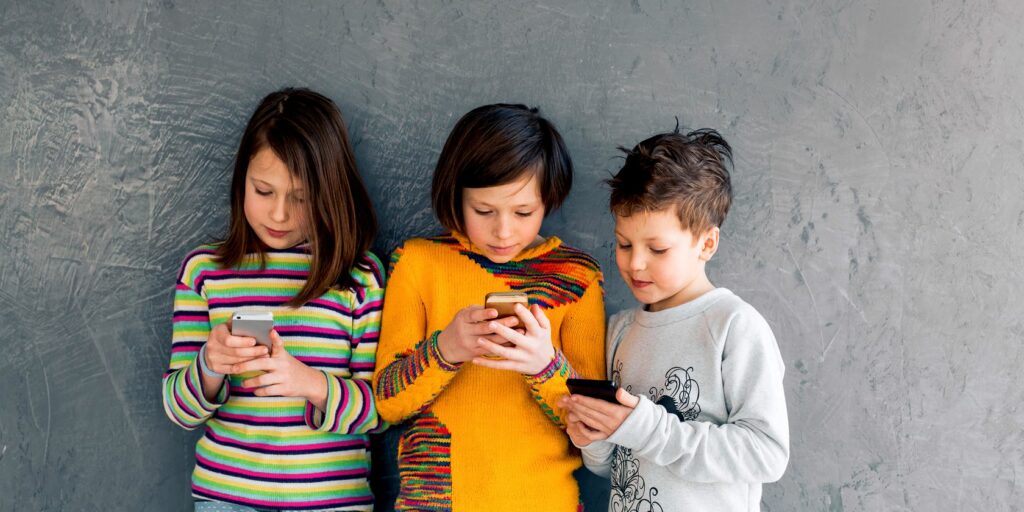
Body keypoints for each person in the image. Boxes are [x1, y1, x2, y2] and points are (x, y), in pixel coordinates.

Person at [161, 88, 387, 511]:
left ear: (330, 191)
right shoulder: (204, 272)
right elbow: (179, 410)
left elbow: (381, 411)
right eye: (263, 191)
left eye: (300, 198)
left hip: (331, 502)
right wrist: (210, 364)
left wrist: (309, 384)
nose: (279, 214)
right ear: (241, 180)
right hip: (228, 498)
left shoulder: (360, 279)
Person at [372, 104, 606, 511]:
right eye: (484, 211)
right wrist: (445, 350)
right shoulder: (417, 263)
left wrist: (544, 365)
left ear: (549, 200)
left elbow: (591, 427)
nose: (503, 231)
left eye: (523, 212)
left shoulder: (576, 278)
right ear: (456, 195)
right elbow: (387, 402)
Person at [562, 128, 790, 512]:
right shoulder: (620, 331)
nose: (635, 263)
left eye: (658, 249)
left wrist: (647, 428)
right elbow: (613, 467)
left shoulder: (733, 326)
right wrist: (594, 439)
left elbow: (766, 454)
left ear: (706, 243)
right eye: (624, 244)